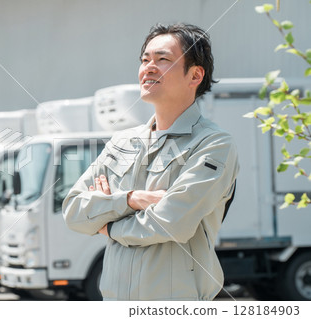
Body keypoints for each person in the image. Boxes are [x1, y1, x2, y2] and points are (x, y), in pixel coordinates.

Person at [62, 23, 239, 301]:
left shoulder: (213, 144)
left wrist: (107, 224)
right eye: (145, 60)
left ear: (195, 75)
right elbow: (73, 212)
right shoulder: (122, 142)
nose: (149, 67)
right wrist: (131, 200)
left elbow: (172, 223)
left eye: (163, 59)